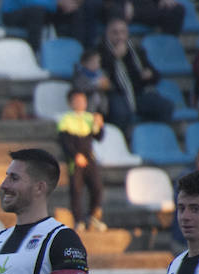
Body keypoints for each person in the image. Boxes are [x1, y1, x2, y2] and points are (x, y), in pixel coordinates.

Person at [98, 18, 173, 134]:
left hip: (137, 93)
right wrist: (114, 57)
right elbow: (101, 75)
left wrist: (150, 74)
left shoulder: (136, 51)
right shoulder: (100, 51)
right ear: (107, 34)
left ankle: (157, 137)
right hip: (114, 93)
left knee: (166, 106)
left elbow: (156, 74)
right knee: (121, 112)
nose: (119, 36)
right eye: (115, 33)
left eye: (123, 32)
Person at [57, 88, 107, 231]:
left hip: (89, 158)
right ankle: (78, 220)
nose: (80, 103)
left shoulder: (89, 118)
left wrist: (99, 125)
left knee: (97, 187)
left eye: (82, 100)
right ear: (70, 102)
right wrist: (74, 155)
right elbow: (64, 141)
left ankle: (92, 216)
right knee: (76, 190)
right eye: (77, 100)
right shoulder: (66, 119)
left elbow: (99, 137)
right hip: (75, 160)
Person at [0, 0, 103, 52]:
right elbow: (28, 1)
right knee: (36, 12)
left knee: (75, 12)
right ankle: (35, 52)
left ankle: (77, 51)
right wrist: (57, 3)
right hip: (12, 14)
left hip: (43, 11)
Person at [103, 0, 185, 36]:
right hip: (120, 6)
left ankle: (165, 44)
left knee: (177, 9)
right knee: (115, 10)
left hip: (145, 6)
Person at [71, 48, 110, 115]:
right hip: (87, 105)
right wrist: (96, 85)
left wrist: (106, 84)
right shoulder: (80, 75)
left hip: (101, 107)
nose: (97, 65)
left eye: (98, 62)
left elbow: (109, 86)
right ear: (85, 63)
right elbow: (80, 88)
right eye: (94, 62)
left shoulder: (101, 73)